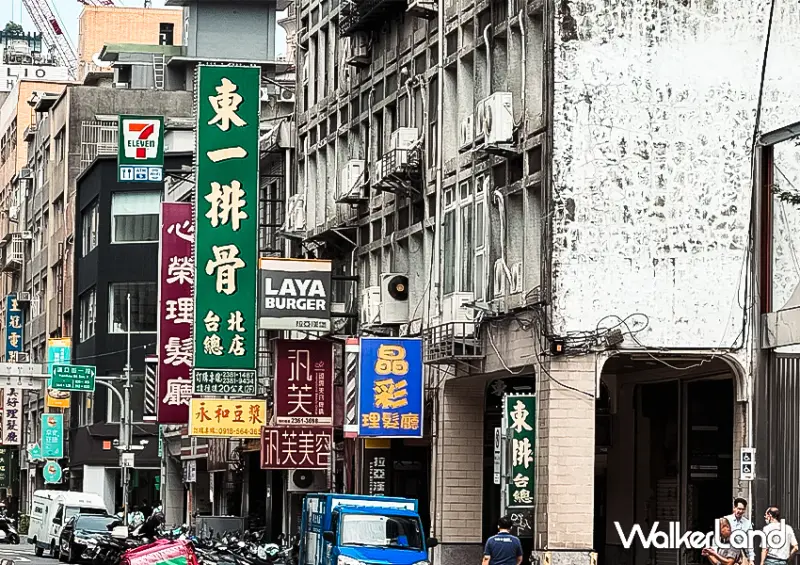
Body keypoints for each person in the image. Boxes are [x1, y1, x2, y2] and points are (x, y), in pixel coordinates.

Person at [725, 498, 754, 563]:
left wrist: (751, 559)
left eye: (743, 509)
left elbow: (749, 542)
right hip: (726, 552)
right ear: (734, 508)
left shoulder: (747, 523)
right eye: (739, 509)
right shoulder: (726, 519)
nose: (740, 511)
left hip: (739, 554)